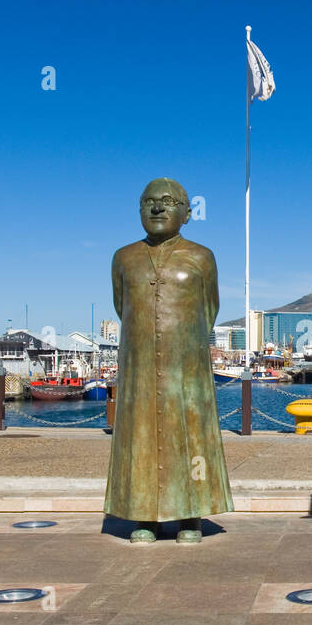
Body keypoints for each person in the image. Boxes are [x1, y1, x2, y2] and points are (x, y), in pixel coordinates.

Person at [105, 178, 233, 543]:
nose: (157, 208)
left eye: (167, 201)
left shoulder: (202, 257)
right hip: (139, 367)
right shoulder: (124, 258)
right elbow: (122, 307)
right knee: (140, 438)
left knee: (191, 437)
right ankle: (143, 514)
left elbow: (209, 309)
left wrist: (185, 346)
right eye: (148, 201)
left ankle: (190, 514)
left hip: (186, 366)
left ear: (187, 213)